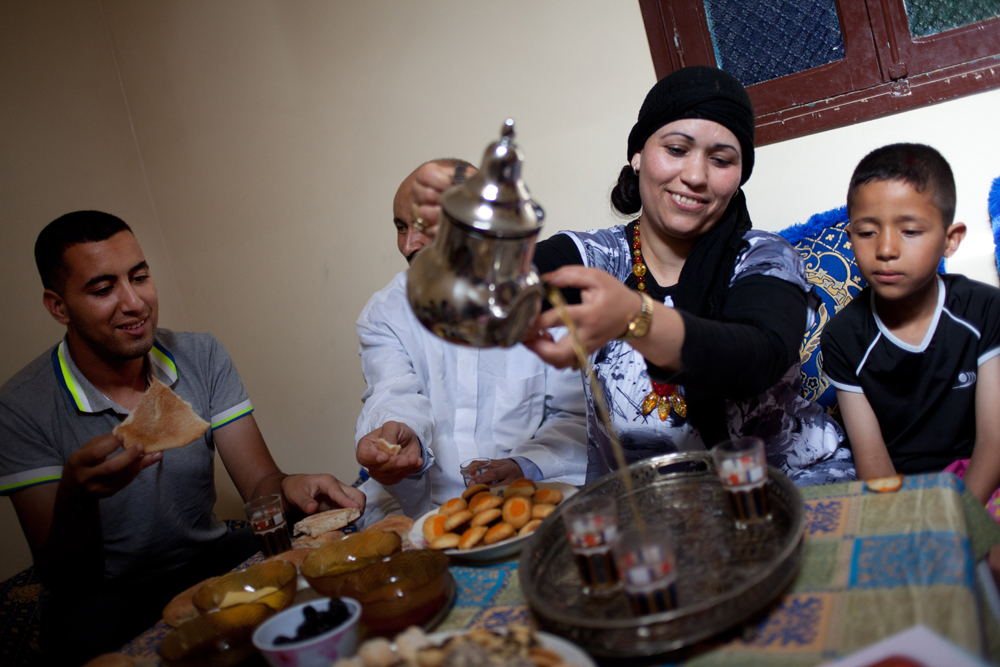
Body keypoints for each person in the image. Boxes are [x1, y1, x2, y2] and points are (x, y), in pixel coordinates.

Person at [411, 67, 855, 485]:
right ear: (639, 155)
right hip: (652, 510)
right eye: (676, 150)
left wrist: (635, 316)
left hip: (793, 486)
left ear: (738, 177)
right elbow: (492, 289)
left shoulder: (764, 256)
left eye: (721, 160)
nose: (695, 176)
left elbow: (756, 355)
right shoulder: (595, 258)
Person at [0, 211, 364, 665]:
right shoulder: (20, 406)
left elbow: (259, 485)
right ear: (58, 306)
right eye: (103, 289)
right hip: (101, 595)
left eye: (140, 277)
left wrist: (289, 487)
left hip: (205, 559)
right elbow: (65, 576)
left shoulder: (200, 355)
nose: (134, 303)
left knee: (319, 586)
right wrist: (77, 499)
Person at [354, 159, 588, 525]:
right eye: (401, 227)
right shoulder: (387, 312)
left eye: (424, 227)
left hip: (528, 503)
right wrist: (401, 438)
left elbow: (575, 417)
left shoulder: (544, 302)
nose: (408, 245)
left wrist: (523, 465)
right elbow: (394, 392)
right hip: (422, 511)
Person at [821, 144, 1000, 505]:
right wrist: (910, 526)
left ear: (951, 240)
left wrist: (958, 522)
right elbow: (872, 462)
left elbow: (994, 439)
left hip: (984, 477)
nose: (886, 249)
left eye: (911, 231)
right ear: (849, 236)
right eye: (867, 232)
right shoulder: (843, 337)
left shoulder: (984, 308)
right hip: (902, 491)